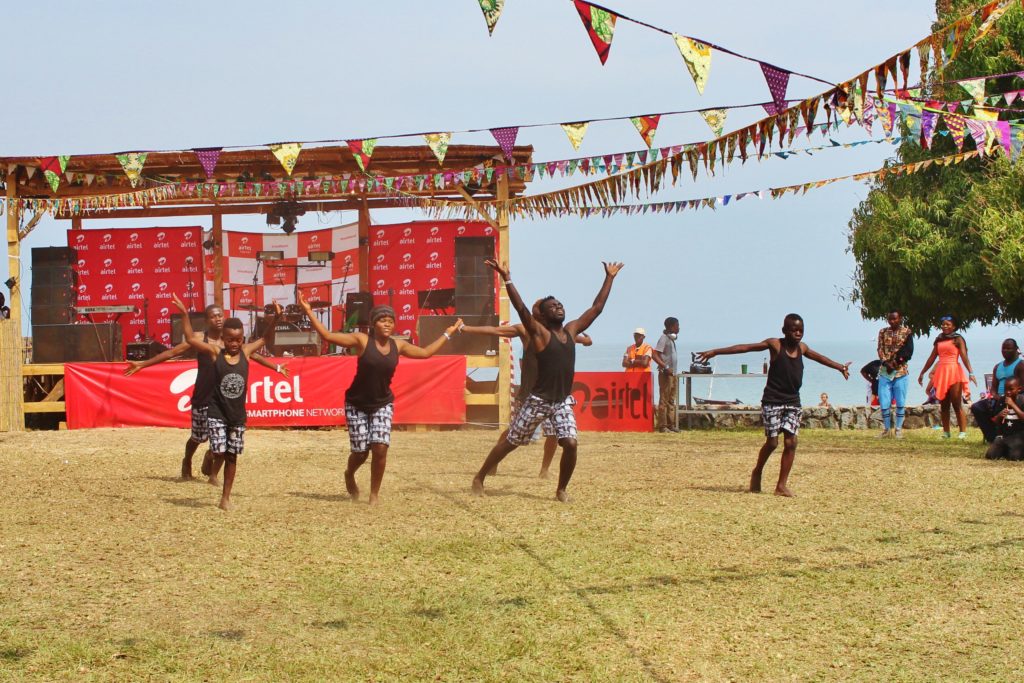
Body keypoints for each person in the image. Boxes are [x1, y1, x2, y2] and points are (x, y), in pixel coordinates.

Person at [472, 259, 624, 502]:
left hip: (561, 401)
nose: (559, 307)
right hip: (538, 401)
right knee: (512, 442)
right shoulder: (539, 333)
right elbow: (521, 308)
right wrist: (507, 278)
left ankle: (561, 489)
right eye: (552, 306)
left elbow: (596, 308)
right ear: (543, 314)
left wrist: (610, 278)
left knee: (571, 443)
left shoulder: (572, 330)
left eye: (560, 305)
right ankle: (480, 476)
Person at [298, 293, 461, 505]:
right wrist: (309, 311)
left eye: (391, 321)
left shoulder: (398, 346)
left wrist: (447, 334)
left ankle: (374, 494)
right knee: (360, 451)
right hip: (356, 404)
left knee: (380, 447)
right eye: (383, 320)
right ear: (374, 324)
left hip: (382, 404)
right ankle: (349, 473)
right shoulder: (362, 340)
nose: (387, 324)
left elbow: (425, 353)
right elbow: (328, 336)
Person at [124, 303, 287, 480]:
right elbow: (171, 353)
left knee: (222, 440)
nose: (218, 319)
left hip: (223, 400)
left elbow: (254, 354)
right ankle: (187, 460)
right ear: (206, 320)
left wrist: (276, 367)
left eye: (220, 315)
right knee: (199, 437)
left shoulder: (231, 340)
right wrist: (142, 364)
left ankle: (213, 472)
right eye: (213, 316)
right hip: (203, 396)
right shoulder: (201, 339)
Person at [697, 314, 850, 497]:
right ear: (784, 330)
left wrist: (840, 367)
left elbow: (820, 358)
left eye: (801, 330)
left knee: (791, 441)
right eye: (793, 330)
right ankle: (758, 470)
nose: (798, 333)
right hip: (773, 400)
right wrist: (716, 352)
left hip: (793, 401)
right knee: (772, 442)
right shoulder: (775, 345)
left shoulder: (802, 348)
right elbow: (745, 347)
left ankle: (781, 485)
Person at [172, 295, 280, 510]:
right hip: (216, 412)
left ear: (242, 339)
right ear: (223, 338)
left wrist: (275, 319)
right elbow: (191, 339)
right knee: (219, 450)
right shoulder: (215, 353)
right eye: (230, 339)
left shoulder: (247, 353)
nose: (234, 344)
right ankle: (209, 457)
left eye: (238, 340)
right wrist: (184, 315)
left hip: (237, 416)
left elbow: (265, 340)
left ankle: (225, 498)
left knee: (232, 456)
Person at [459, 308, 592, 478]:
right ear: (539, 315)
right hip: (531, 393)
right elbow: (496, 330)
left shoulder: (556, 332)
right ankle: (493, 464)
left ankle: (544, 470)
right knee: (513, 433)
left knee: (553, 433)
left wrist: (584, 341)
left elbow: (573, 336)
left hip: (552, 394)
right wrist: (466, 328)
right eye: (545, 308)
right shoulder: (526, 330)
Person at [917, 315, 977, 440]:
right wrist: (922, 372)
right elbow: (932, 357)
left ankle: (962, 432)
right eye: (943, 324)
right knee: (944, 404)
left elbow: (964, 356)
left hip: (954, 370)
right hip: (941, 372)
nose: (945, 326)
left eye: (948, 324)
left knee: (956, 403)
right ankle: (946, 432)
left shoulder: (958, 339)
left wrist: (971, 373)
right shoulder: (939, 339)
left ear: (954, 326)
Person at [971, 338, 1024, 443]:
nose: (1005, 350)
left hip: (1015, 397)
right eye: (1003, 348)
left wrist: (1011, 398)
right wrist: (996, 396)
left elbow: (1022, 386)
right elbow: (993, 388)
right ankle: (991, 436)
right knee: (977, 407)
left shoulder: (1020, 365)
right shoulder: (997, 366)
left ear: (1016, 349)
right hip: (999, 397)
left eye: (1009, 348)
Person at [876, 310, 913, 438]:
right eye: (890, 319)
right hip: (885, 371)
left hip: (900, 371)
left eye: (895, 319)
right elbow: (880, 348)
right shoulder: (883, 332)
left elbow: (909, 351)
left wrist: (896, 363)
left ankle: (898, 429)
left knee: (900, 401)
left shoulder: (907, 332)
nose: (892, 321)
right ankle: (887, 429)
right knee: (884, 401)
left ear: (900, 319)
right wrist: (886, 363)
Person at [652, 317, 680, 433]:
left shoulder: (671, 339)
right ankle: (662, 426)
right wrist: (665, 367)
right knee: (664, 399)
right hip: (666, 374)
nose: (678, 328)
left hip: (673, 374)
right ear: (670, 326)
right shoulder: (663, 338)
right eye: (676, 325)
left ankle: (670, 424)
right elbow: (654, 354)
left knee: (671, 400)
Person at [985, 377, 1024, 461]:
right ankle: (1006, 449)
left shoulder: (1022, 400)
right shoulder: (1002, 401)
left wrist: (1013, 405)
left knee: (1014, 457)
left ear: (1019, 389)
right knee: (990, 455)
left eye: (1011, 389)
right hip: (1005, 436)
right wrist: (999, 415)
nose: (1008, 392)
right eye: (1006, 390)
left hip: (1019, 436)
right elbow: (996, 421)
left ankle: (1011, 450)